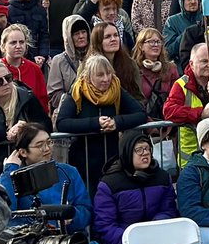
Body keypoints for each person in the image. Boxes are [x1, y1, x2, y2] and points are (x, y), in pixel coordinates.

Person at [56, 53, 147, 190]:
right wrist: (95, 123)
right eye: (100, 75)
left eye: (108, 73)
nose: (106, 79)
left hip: (112, 159)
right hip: (83, 161)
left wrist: (116, 122)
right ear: (88, 77)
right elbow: (62, 122)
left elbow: (141, 114)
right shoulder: (77, 91)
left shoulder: (116, 89)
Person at [0, 121, 92, 234]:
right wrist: (9, 170)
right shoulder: (12, 176)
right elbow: (3, 213)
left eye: (49, 142)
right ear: (23, 152)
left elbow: (86, 210)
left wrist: (72, 215)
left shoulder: (69, 171)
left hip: (68, 240)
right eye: (40, 145)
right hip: (31, 241)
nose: (47, 148)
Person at [0, 23, 50, 114]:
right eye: (13, 42)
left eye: (22, 42)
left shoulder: (34, 69)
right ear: (3, 46)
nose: (18, 46)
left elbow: (42, 99)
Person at [46, 16, 91, 116]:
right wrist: (76, 99)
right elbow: (54, 95)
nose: (81, 36)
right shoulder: (59, 60)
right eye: (76, 34)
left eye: (83, 32)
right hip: (69, 113)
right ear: (68, 36)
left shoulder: (95, 56)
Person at [132, 26, 178, 120]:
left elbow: (177, 97)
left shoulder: (171, 68)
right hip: (143, 121)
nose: (156, 45)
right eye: (151, 41)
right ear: (141, 46)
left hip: (167, 120)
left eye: (158, 42)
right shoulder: (133, 69)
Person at [6, 0, 50, 64]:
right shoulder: (9, 10)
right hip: (17, 57)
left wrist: (43, 55)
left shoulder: (39, 9)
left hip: (37, 57)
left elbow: (44, 34)